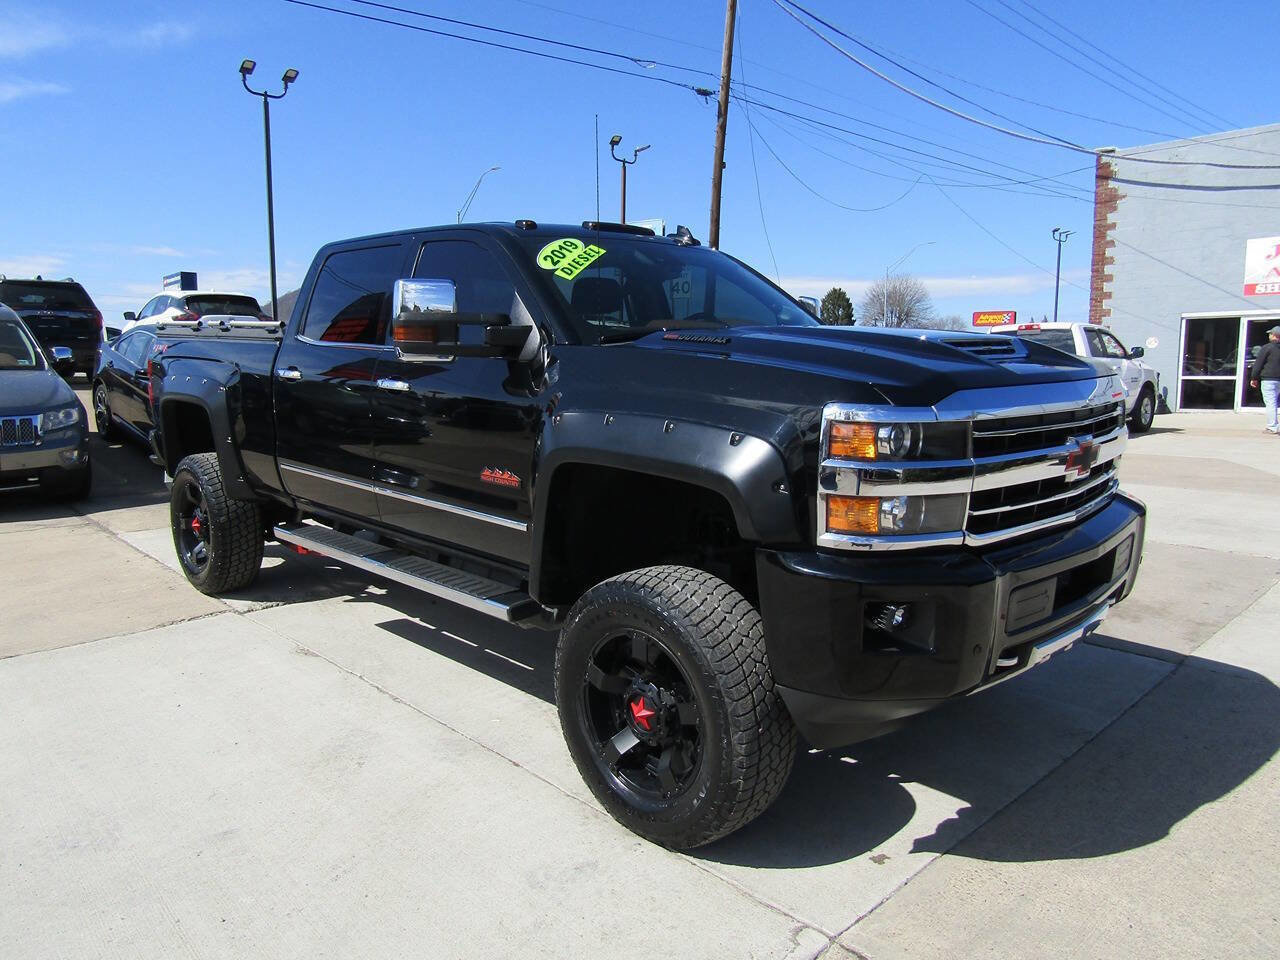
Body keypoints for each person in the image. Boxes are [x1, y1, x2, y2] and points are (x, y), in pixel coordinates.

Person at [1249, 325, 1280, 434]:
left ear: (1274, 335)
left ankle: (1272, 427)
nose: (1269, 335)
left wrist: (1254, 377)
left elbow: (1258, 364)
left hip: (1269, 379)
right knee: (1274, 402)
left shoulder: (1267, 348)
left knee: (1271, 403)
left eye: (1270, 334)